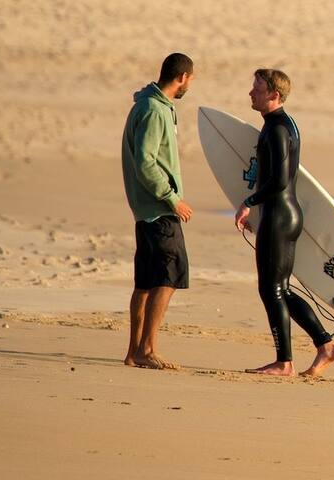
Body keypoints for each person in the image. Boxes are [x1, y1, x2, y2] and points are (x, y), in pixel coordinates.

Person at [234, 68, 334, 377]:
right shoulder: (283, 124)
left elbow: (279, 180)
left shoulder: (277, 129)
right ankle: (325, 346)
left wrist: (249, 204)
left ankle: (285, 362)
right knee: (279, 289)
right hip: (283, 215)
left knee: (272, 290)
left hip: (280, 216)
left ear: (274, 95)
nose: (251, 93)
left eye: (257, 88)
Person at [120, 53, 195, 370]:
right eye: (191, 79)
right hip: (158, 208)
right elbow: (146, 162)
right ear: (183, 78)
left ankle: (134, 351)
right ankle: (147, 348)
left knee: (147, 281)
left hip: (146, 209)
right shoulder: (153, 110)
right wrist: (171, 198)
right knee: (170, 274)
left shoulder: (149, 106)